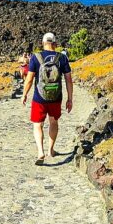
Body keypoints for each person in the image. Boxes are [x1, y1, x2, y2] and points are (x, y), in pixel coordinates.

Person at [21, 32, 73, 165]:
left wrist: (24, 94)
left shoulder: (36, 57)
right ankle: (51, 150)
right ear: (55, 44)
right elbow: (68, 80)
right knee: (53, 122)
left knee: (38, 124)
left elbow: (29, 79)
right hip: (56, 97)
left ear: (43, 43)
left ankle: (40, 152)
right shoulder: (62, 58)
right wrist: (70, 99)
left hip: (39, 97)